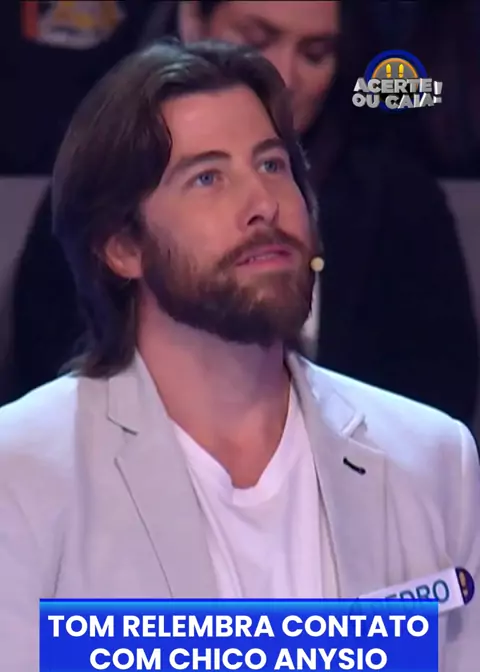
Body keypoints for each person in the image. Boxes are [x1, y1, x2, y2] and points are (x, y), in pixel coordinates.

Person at [0, 38, 479, 672]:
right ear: (122, 245)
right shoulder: (26, 475)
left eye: (273, 164)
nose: (263, 203)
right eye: (207, 177)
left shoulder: (430, 462)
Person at [8, 0, 479, 428]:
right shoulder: (100, 187)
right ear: (193, 19)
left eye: (315, 53)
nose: (285, 77)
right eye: (257, 40)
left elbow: (437, 391)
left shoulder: (397, 199)